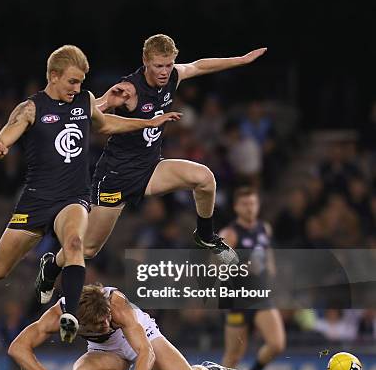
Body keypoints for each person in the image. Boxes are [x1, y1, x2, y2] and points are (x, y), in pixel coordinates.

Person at [0, 45, 181, 343]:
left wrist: (148, 122)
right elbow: (7, 133)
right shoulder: (31, 108)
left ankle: (69, 313)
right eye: (72, 81)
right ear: (53, 76)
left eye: (81, 82)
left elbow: (106, 124)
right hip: (37, 199)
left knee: (76, 242)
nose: (77, 88)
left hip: (73, 197)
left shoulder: (84, 100)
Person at [36, 34, 267, 304]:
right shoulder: (130, 90)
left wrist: (240, 60)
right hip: (116, 178)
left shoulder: (172, 77)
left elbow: (200, 66)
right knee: (87, 248)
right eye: (158, 65)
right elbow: (91, 109)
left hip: (149, 169)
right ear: (145, 61)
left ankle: (205, 236)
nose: (164, 71)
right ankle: (51, 267)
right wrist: (100, 103)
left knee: (204, 179)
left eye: (169, 65)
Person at [8, 284, 250, 370]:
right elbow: (17, 347)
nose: (106, 323)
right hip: (106, 352)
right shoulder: (59, 315)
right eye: (99, 324)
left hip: (141, 336)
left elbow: (146, 351)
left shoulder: (117, 305)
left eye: (107, 318)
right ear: (80, 323)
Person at [218, 186, 285, 370]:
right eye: (245, 204)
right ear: (236, 207)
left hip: (260, 295)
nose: (250, 208)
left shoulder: (264, 228)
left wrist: (270, 270)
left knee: (277, 344)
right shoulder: (230, 233)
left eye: (253, 203)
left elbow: (267, 253)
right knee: (233, 355)